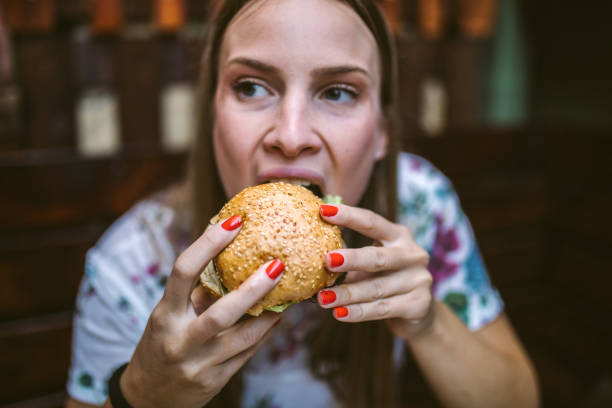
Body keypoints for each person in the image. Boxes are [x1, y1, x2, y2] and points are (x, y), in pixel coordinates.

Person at [66, 0, 539, 407]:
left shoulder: (420, 204)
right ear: (212, 116)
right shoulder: (127, 266)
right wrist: (141, 396)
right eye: (251, 86)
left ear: (381, 134)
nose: (291, 138)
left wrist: (429, 323)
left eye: (338, 92)